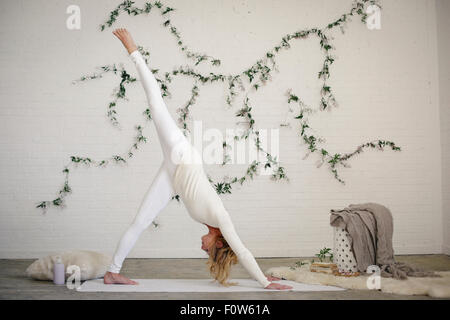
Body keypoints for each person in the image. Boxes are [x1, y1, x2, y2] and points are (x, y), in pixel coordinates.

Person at [103, 28, 292, 290]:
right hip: (183, 155)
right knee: (156, 104)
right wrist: (263, 282)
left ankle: (112, 272)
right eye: (208, 250)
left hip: (173, 175)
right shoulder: (220, 217)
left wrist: (261, 276)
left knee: (140, 221)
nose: (201, 248)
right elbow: (243, 250)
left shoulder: (209, 220)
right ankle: (133, 50)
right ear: (218, 242)